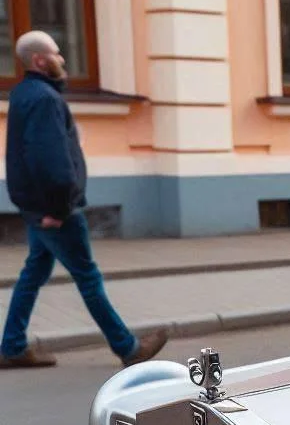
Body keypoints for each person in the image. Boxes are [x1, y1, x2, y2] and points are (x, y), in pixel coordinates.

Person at [0, 30, 167, 369]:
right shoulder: (46, 99)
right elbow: (49, 161)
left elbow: (28, 155)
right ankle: (128, 348)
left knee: (34, 273)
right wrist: (58, 209)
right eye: (56, 54)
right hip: (56, 210)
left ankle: (12, 346)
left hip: (38, 208)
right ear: (39, 60)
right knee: (88, 277)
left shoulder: (23, 95)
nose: (62, 60)